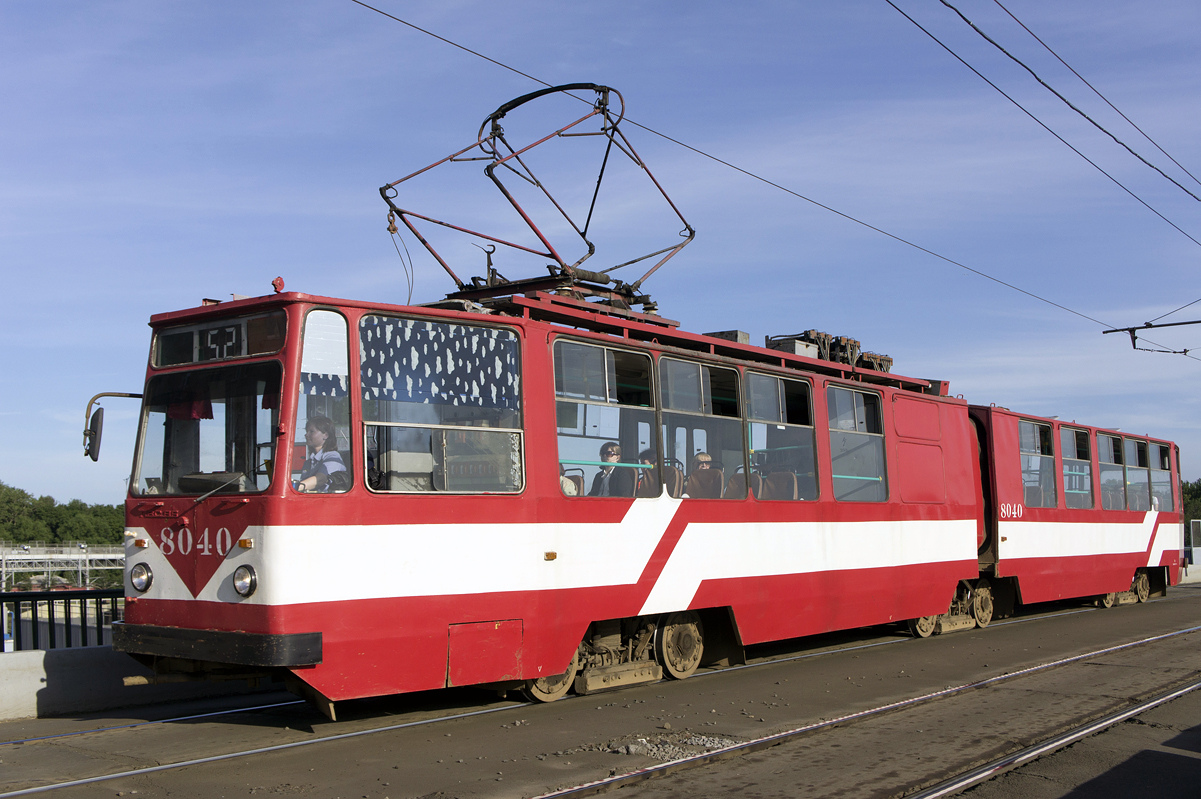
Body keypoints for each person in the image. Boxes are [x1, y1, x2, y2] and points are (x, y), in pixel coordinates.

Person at [295, 415, 347, 493]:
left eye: (311, 431)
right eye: (307, 431)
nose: (306, 435)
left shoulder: (333, 457)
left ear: (325, 435)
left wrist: (294, 487)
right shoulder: (308, 462)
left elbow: (321, 479)